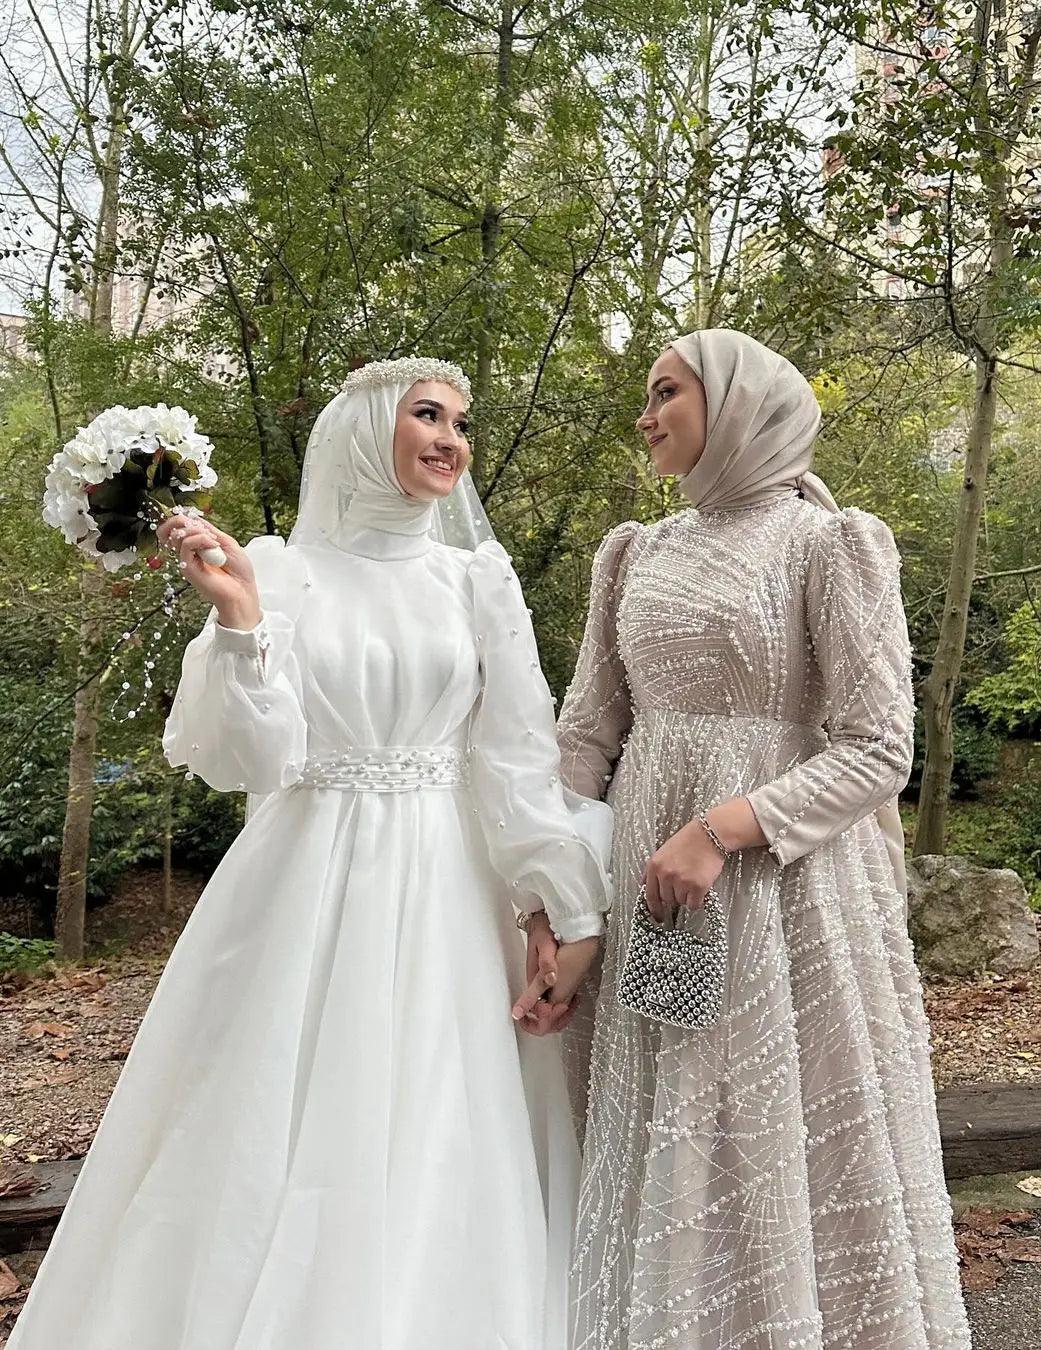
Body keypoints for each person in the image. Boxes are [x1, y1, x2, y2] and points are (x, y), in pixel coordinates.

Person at [9, 357, 610, 1350]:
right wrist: (242, 622)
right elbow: (245, 757)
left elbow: (513, 758)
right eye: (427, 414)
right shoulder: (280, 570)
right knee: (262, 1133)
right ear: (365, 428)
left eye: (461, 420)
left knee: (437, 1127)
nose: (452, 438)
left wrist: (559, 907)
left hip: (447, 896)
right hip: (302, 883)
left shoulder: (476, 580)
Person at [538, 330, 970, 1349]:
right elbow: (586, 735)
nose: (645, 414)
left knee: (777, 1119)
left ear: (735, 403)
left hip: (790, 885)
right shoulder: (633, 552)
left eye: (666, 392)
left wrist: (723, 829)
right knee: (663, 1115)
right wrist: (550, 898)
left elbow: (878, 750)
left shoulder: (830, 543)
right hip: (647, 880)